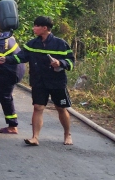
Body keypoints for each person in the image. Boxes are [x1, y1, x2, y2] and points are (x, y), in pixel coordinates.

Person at [13, 16, 75, 146]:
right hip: (38, 81)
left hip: (57, 82)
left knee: (61, 108)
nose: (33, 28)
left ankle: (67, 134)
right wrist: (5, 59)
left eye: (36, 26)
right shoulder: (32, 44)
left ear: (44, 28)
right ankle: (35, 137)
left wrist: (60, 63)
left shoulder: (61, 44)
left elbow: (71, 62)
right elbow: (21, 58)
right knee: (38, 107)